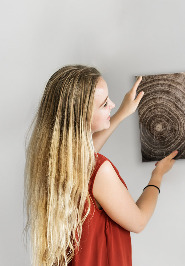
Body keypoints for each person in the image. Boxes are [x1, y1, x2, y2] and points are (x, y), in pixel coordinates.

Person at [24, 65, 177, 266]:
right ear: (81, 117)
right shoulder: (99, 170)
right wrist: (157, 175)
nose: (112, 104)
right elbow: (138, 221)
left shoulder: (53, 160)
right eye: (105, 104)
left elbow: (86, 156)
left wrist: (122, 113)